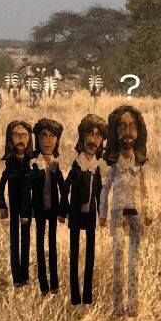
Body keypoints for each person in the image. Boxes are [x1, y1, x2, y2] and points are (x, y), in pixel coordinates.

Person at [100, 105, 152, 318]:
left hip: (135, 213)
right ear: (115, 132)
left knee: (134, 260)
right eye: (122, 127)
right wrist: (102, 213)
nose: (127, 132)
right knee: (118, 259)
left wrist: (148, 211)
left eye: (132, 127)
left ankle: (133, 304)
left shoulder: (140, 165)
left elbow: (145, 190)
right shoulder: (113, 164)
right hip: (117, 213)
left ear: (139, 131)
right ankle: (117, 306)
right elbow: (105, 190)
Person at [66, 114, 106, 306]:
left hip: (90, 216)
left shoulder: (97, 168)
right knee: (74, 254)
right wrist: (61, 211)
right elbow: (65, 188)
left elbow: (99, 192)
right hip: (74, 214)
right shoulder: (76, 166)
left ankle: (87, 296)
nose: (94, 140)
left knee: (90, 255)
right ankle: (75, 295)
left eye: (98, 136)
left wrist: (102, 214)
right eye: (90, 134)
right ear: (82, 138)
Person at [28, 118, 65, 295]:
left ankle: (55, 283)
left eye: (52, 136)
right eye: (44, 136)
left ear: (57, 140)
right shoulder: (34, 165)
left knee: (52, 245)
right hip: (39, 210)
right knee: (40, 246)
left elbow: (63, 189)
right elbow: (27, 189)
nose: (48, 140)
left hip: (54, 209)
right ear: (37, 138)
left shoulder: (56, 166)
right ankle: (43, 285)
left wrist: (63, 211)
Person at [0, 120, 34, 288]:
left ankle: (25, 275)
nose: (20, 139)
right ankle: (17, 278)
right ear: (10, 139)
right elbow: (0, 188)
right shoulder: (9, 166)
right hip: (13, 208)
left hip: (28, 207)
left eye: (24, 135)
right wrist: (3, 206)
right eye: (17, 135)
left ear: (29, 139)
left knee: (25, 239)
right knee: (14, 239)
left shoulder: (31, 165)